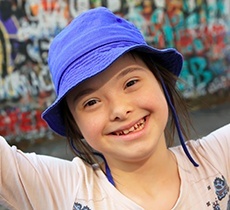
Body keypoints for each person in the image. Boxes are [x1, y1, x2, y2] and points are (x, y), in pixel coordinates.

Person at [0, 6, 229, 210]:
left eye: (130, 83)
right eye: (91, 102)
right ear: (75, 124)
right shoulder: (62, 192)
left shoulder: (220, 157)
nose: (119, 109)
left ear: (161, 82)